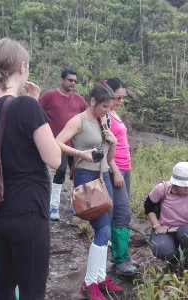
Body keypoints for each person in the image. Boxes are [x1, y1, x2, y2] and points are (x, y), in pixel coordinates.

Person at [0, 38, 61, 300]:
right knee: (32, 289)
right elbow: (54, 158)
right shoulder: (26, 106)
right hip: (29, 210)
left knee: (4, 284)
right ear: (22, 67)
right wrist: (34, 108)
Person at [56, 83, 123, 300]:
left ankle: (101, 278)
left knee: (107, 230)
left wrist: (112, 143)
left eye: (110, 106)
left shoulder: (104, 119)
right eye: (105, 106)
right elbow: (56, 142)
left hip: (102, 178)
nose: (108, 110)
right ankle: (88, 283)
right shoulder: (79, 120)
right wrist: (80, 153)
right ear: (92, 101)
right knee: (102, 231)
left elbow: (109, 158)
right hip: (85, 177)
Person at [39, 69, 87, 221]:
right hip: (56, 142)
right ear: (62, 80)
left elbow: (87, 115)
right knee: (59, 172)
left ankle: (76, 206)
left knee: (78, 173)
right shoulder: (49, 96)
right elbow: (37, 113)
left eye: (74, 81)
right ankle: (54, 206)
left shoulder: (78, 99)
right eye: (70, 80)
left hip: (75, 143)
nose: (73, 83)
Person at [106, 77, 140, 276]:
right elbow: (103, 145)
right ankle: (121, 260)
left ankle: (119, 253)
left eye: (123, 98)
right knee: (123, 213)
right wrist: (115, 170)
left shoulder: (114, 113)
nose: (121, 101)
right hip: (115, 170)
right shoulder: (105, 116)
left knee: (120, 213)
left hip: (125, 169)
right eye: (117, 97)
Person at [145, 162, 188, 265]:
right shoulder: (162, 189)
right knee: (162, 249)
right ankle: (173, 262)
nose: (187, 189)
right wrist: (156, 225)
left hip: (185, 227)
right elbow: (148, 207)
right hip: (164, 228)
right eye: (184, 187)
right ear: (175, 184)